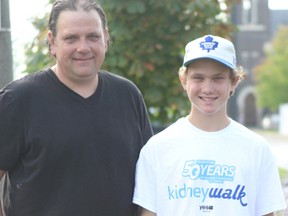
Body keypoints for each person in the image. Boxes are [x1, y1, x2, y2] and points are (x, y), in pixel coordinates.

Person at [0, 0, 153, 215]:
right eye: (71, 38)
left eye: (93, 36)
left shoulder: (128, 96)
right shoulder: (17, 101)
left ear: (106, 38)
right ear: (52, 42)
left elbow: (150, 180)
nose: (83, 47)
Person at [133, 35, 287, 216]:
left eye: (218, 78)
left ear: (234, 82)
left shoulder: (257, 149)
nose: (208, 88)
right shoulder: (157, 148)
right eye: (198, 78)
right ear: (184, 81)